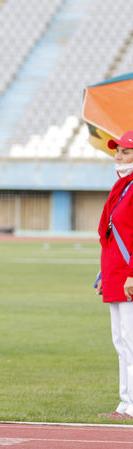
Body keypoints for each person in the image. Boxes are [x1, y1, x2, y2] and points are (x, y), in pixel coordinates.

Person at [96, 130, 133, 420]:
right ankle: (125, 402)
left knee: (130, 341)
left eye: (125, 152)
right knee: (120, 340)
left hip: (128, 276)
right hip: (115, 274)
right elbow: (110, 235)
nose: (118, 156)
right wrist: (103, 274)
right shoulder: (121, 186)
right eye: (117, 151)